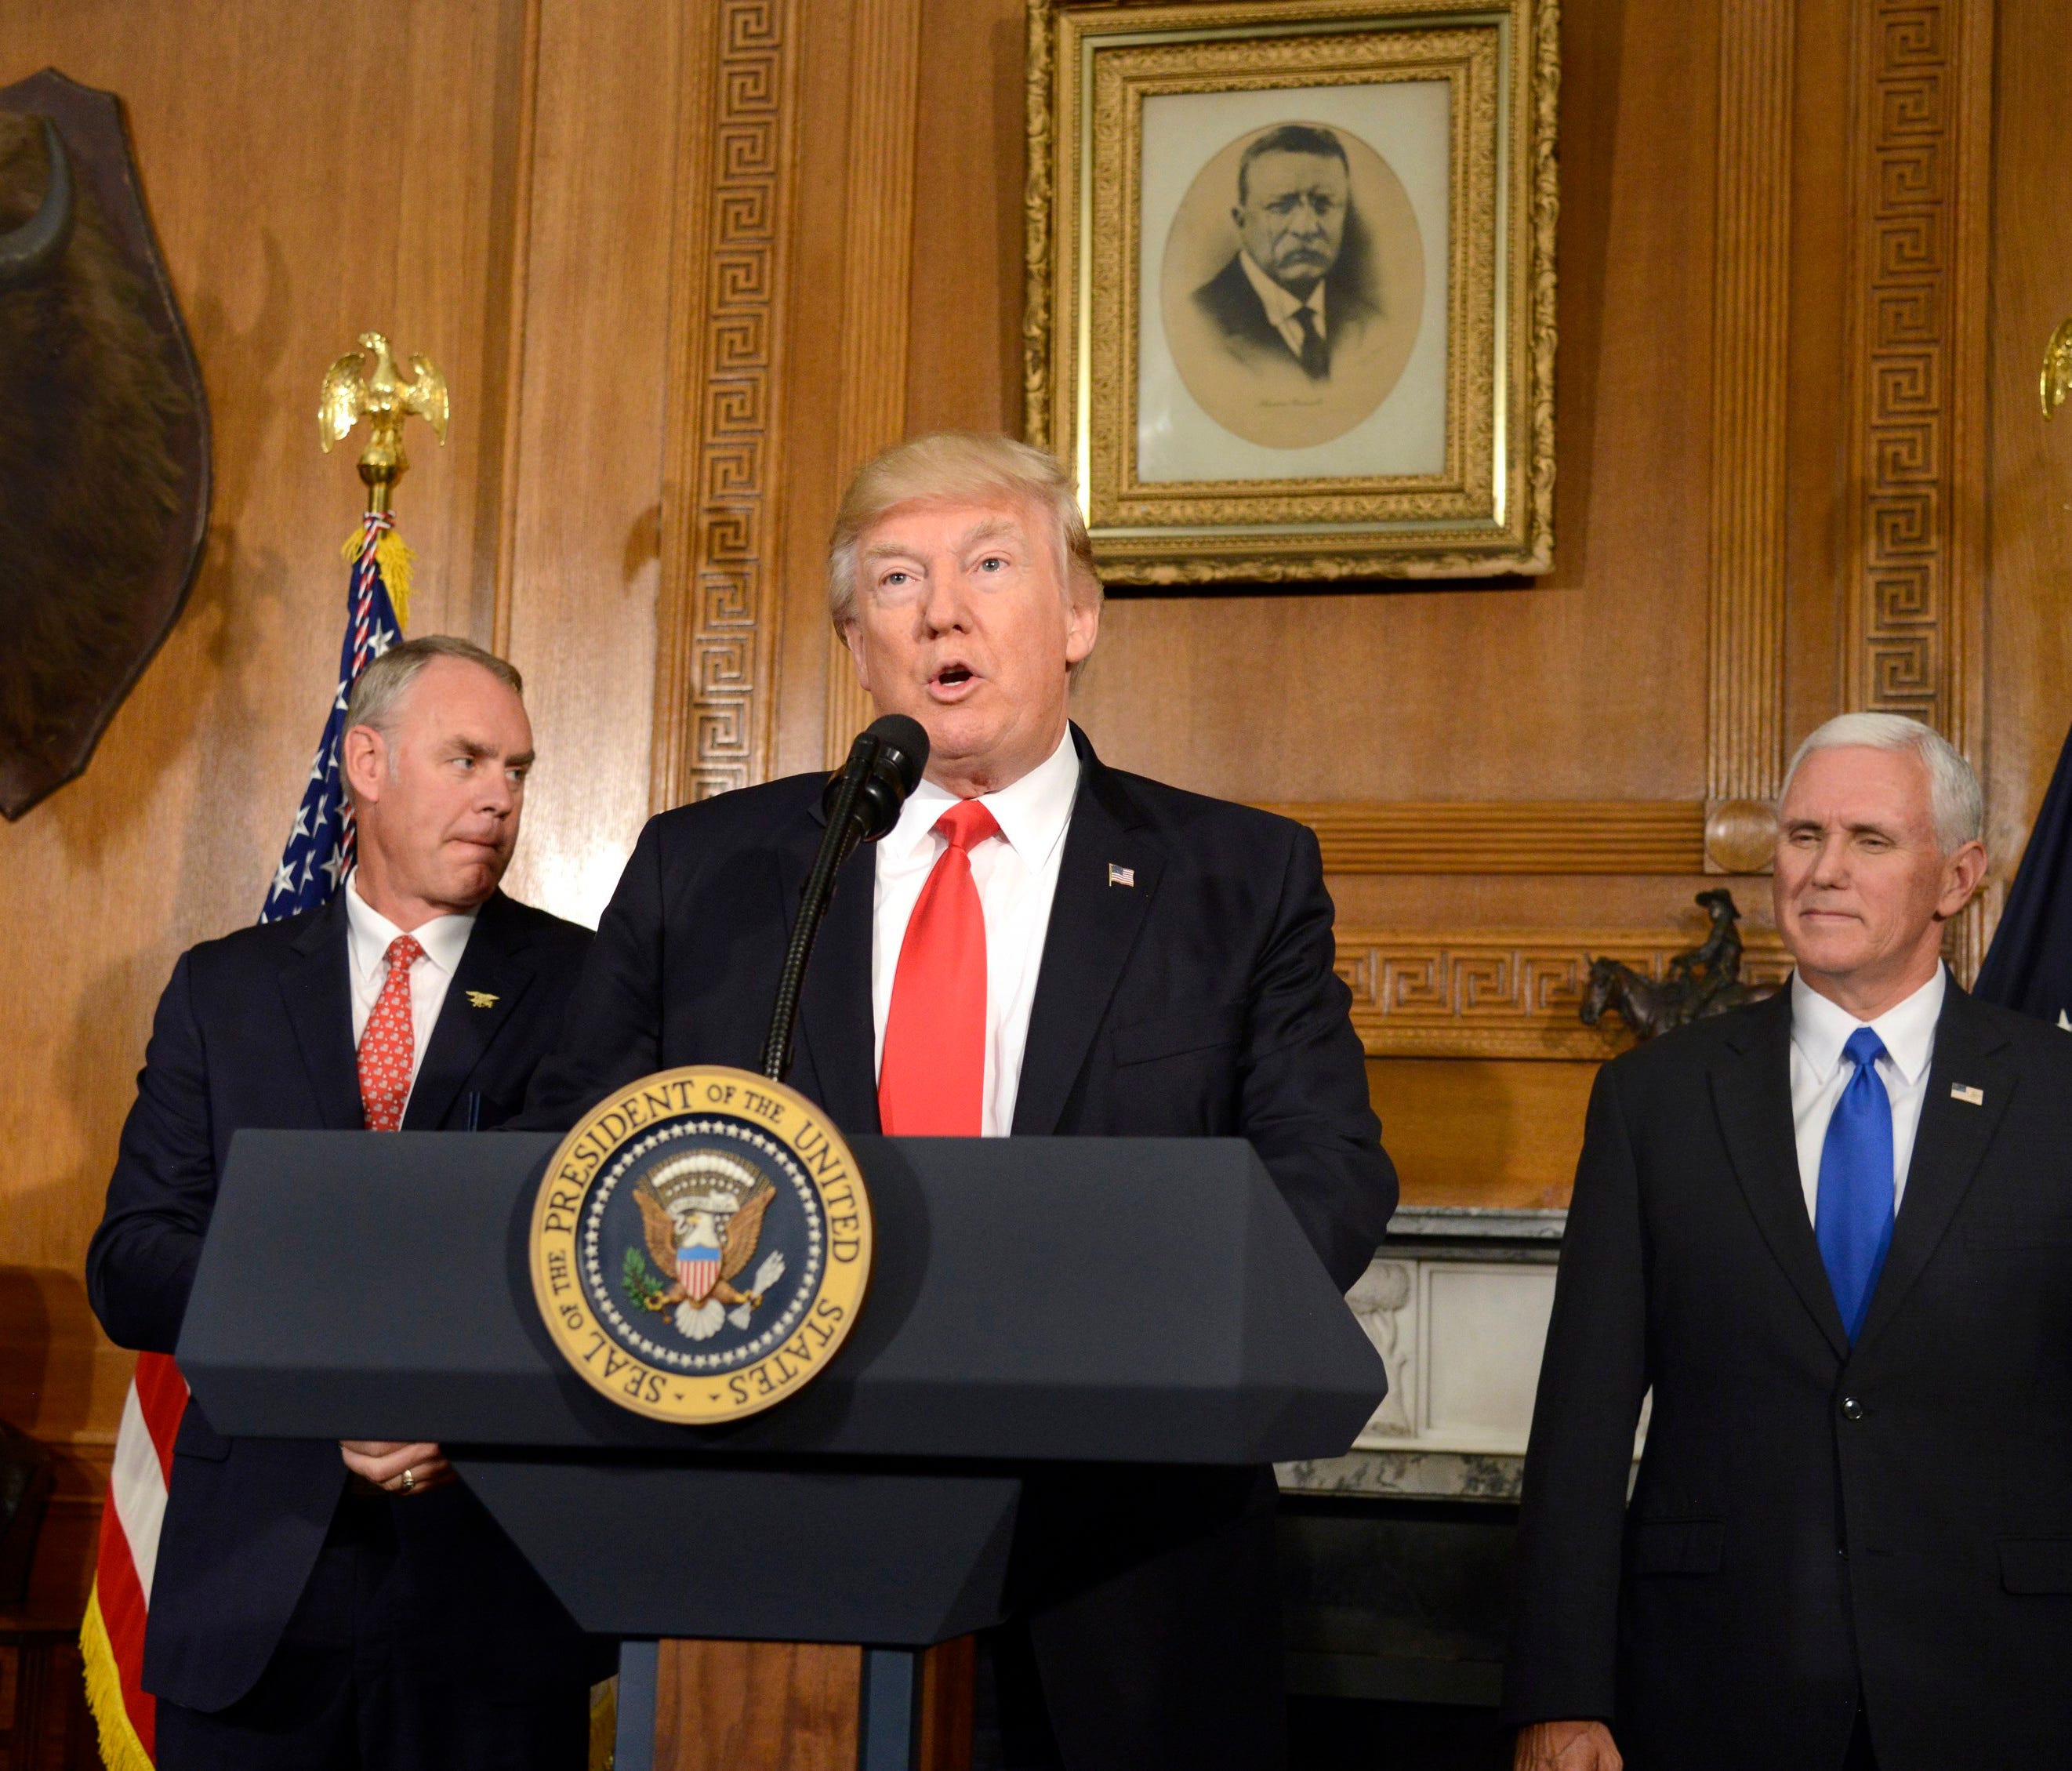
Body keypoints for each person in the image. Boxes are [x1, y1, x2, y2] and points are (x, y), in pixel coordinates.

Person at [521, 430, 1397, 1769]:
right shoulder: (708, 874)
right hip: (773, 1553)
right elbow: (570, 1149)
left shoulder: (1234, 875)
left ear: (1078, 615)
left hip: (1124, 1566)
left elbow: (1324, 1170)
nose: (942, 607)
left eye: (989, 563)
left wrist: (1112, 1331)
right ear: (853, 641)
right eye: (893, 579)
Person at [1503, 712, 2072, 1771]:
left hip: (2005, 1685)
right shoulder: (1652, 1099)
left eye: (1867, 839)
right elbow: (1578, 1423)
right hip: (1714, 1682)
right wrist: (1558, 1690)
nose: (1822, 870)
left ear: (1956, 876)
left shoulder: (2055, 1095)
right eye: (1801, 835)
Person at [87, 636, 597, 1771]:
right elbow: (132, 1259)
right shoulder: (223, 988)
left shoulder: (588, 989)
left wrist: (462, 1412)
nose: (498, 796)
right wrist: (327, 1374)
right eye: (466, 758)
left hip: (489, 1593)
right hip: (249, 1591)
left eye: (517, 768)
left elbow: (602, 1268)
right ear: (364, 760)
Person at [1191, 124, 1381, 383]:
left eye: (1323, 205)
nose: (1306, 228)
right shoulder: (1199, 325)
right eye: (1281, 207)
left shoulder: (1370, 324)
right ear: (1241, 221)